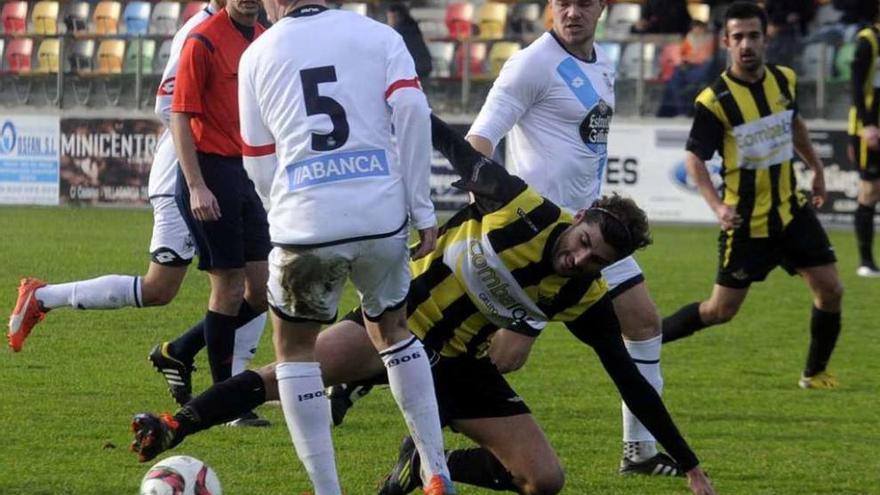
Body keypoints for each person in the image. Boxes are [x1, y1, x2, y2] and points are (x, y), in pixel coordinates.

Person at [130, 115, 716, 495]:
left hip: (459, 365)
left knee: (545, 480)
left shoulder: (581, 296)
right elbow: (447, 144)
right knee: (285, 373)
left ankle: (428, 465)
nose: (579, 259)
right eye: (584, 242)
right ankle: (174, 425)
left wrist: (687, 460)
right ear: (580, 217)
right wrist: (396, 109)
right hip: (394, 323)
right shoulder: (519, 206)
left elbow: (629, 379)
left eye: (595, 260)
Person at [6, 0, 268, 425]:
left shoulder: (252, 33)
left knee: (251, 284)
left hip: (231, 172)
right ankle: (44, 297)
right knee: (173, 287)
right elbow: (170, 106)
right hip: (190, 172)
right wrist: (202, 170)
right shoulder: (198, 33)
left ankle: (193, 360)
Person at [235, 0, 452, 493]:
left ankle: (328, 490)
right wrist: (421, 207)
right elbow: (414, 109)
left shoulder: (258, 52)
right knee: (394, 331)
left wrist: (281, 209)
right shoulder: (378, 36)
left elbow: (257, 157)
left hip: (305, 221)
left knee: (294, 352)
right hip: (380, 216)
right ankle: (435, 468)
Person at [462, 0, 679, 477]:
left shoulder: (602, 64)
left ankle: (638, 451)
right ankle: (425, 428)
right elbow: (480, 140)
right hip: (541, 245)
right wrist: (479, 210)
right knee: (503, 357)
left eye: (583, 2)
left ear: (602, 7)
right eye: (562, 2)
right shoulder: (531, 64)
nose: (572, 11)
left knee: (643, 322)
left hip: (591, 237)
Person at [662, 2, 844, 391]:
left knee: (830, 289)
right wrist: (718, 207)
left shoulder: (784, 80)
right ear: (726, 41)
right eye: (738, 37)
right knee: (719, 311)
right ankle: (642, 344)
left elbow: (794, 125)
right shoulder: (715, 100)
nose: (746, 44)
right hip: (746, 222)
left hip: (791, 211)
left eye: (753, 35)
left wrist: (817, 170)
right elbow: (694, 160)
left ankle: (814, 374)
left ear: (766, 38)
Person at [170, 0, 270, 403]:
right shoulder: (202, 41)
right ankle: (225, 400)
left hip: (249, 172)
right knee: (228, 286)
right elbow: (179, 116)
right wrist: (196, 185)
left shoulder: (266, 40)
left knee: (261, 292)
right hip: (211, 173)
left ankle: (179, 351)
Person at [848, 17, 880, 277]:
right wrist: (868, 124)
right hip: (870, 129)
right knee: (870, 191)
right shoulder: (868, 40)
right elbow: (856, 85)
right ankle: (866, 262)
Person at [387, 2, 432, 80]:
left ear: (396, 16)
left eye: (389, 18)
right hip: (425, 66)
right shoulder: (412, 26)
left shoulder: (399, 33)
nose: (389, 22)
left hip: (414, 69)